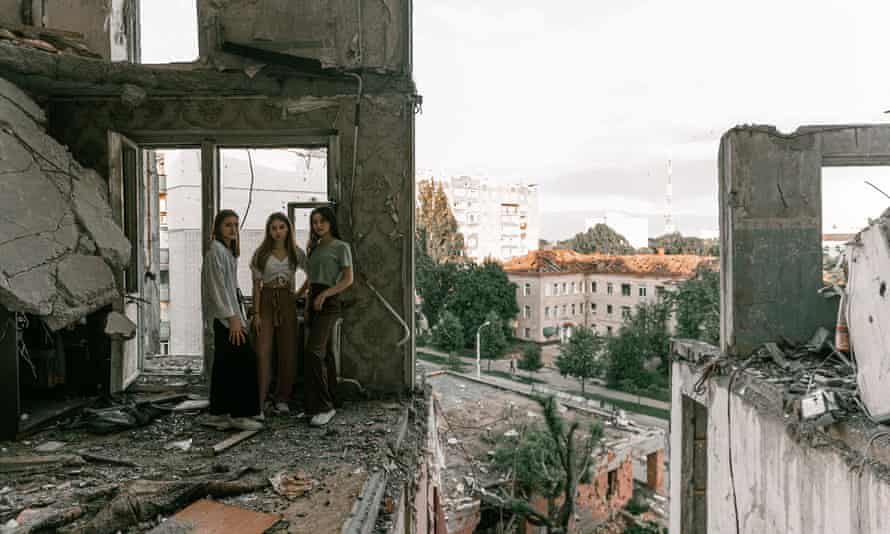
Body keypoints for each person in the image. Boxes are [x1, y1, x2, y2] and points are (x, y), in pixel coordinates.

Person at [201, 209, 263, 431]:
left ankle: (219, 412)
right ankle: (240, 414)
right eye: (228, 225)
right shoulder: (215, 252)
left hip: (230, 315)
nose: (233, 229)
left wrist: (239, 313)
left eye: (236, 225)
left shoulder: (227, 252)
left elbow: (229, 288)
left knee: (225, 365)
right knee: (245, 360)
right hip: (225, 318)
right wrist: (232, 319)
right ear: (218, 228)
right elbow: (217, 289)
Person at [300, 206, 353, 427]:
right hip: (313, 300)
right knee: (326, 355)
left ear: (330, 223)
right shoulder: (314, 247)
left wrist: (324, 295)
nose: (318, 226)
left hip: (329, 302)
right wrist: (300, 296)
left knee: (313, 353)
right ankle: (328, 401)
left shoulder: (341, 247)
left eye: (322, 221)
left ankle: (324, 407)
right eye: (314, 222)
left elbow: (348, 280)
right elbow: (311, 278)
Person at [250, 212, 306, 417]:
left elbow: (311, 273)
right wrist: (256, 313)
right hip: (265, 300)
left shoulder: (295, 252)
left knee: (288, 350)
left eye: (281, 227)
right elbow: (256, 286)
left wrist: (299, 293)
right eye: (273, 228)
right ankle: (259, 402)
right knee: (263, 351)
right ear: (268, 230)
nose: (278, 232)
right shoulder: (261, 253)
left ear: (288, 229)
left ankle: (282, 398)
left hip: (287, 300)